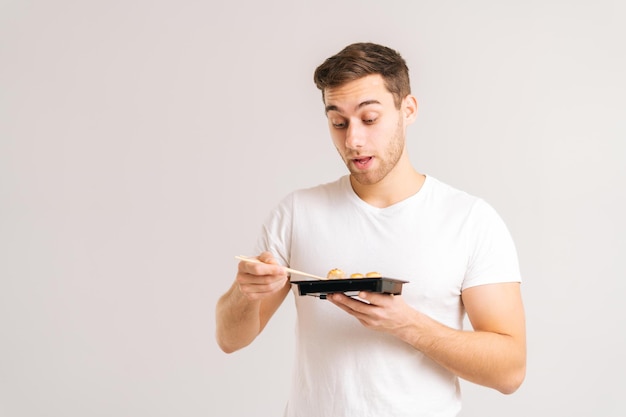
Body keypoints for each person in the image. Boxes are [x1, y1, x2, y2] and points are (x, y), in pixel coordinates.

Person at [215, 42, 526, 417]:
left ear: (407, 110)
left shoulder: (470, 220)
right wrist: (245, 292)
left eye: (370, 119)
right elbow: (230, 340)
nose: (353, 140)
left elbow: (510, 371)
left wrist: (407, 325)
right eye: (338, 123)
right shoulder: (298, 212)